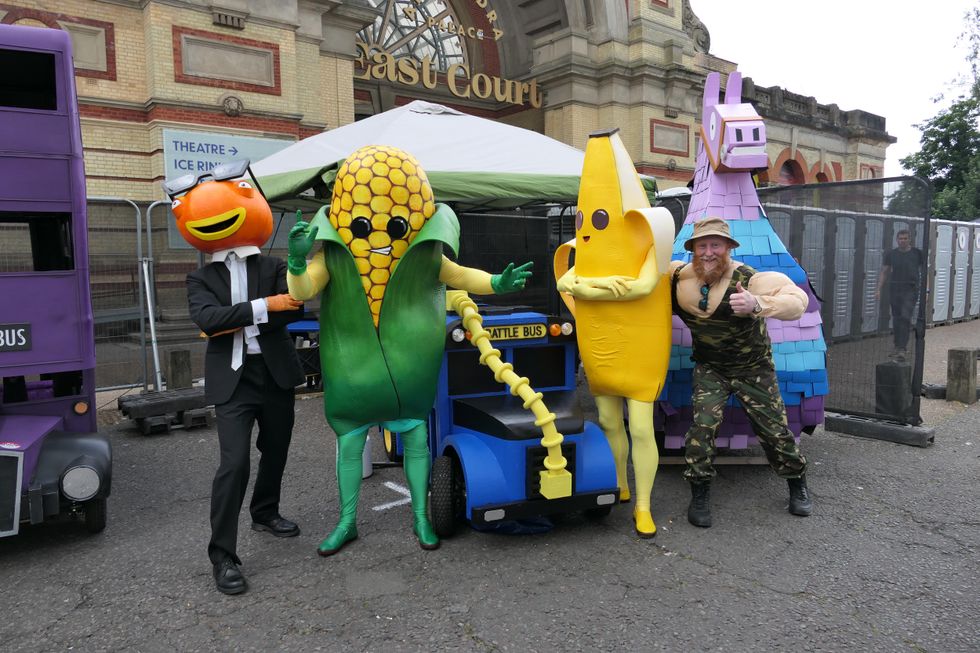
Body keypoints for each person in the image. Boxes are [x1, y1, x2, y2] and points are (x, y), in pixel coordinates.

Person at [285, 144, 531, 557]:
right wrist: (295, 263)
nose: (380, 235)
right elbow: (303, 289)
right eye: (364, 224)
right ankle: (346, 521)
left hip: (409, 369)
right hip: (351, 368)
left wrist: (497, 284)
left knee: (416, 436)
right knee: (349, 442)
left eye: (397, 224)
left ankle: (420, 514)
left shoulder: (427, 256)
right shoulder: (331, 255)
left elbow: (461, 274)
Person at [166, 161, 306, 595]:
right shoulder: (200, 276)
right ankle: (223, 556)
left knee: (276, 450)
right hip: (233, 380)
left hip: (276, 373)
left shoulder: (274, 264)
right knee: (233, 464)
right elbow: (207, 322)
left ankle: (265, 512)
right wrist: (266, 307)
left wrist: (246, 316)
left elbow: (297, 307)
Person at [669, 217, 812, 528]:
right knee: (702, 428)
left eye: (715, 245)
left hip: (753, 370)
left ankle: (796, 481)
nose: (708, 252)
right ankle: (700, 491)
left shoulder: (749, 279)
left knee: (774, 432)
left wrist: (757, 304)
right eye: (702, 245)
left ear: (728, 248)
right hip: (711, 368)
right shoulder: (678, 277)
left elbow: (796, 302)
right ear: (693, 249)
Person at [876, 229, 923, 361]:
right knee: (896, 318)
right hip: (895, 289)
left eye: (905, 238)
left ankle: (902, 348)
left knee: (905, 316)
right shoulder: (891, 254)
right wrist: (878, 289)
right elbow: (884, 271)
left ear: (910, 240)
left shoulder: (917, 253)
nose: (902, 241)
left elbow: (925, 272)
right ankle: (897, 346)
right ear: (897, 240)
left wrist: (927, 290)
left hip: (911, 289)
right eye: (900, 239)